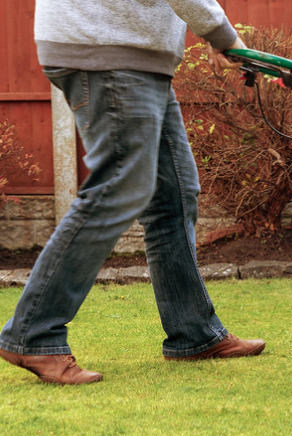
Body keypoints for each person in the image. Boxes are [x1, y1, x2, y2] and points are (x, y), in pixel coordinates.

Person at [0, 0, 264, 385]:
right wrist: (220, 33)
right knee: (121, 186)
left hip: (133, 53)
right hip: (106, 46)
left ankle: (194, 332)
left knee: (173, 194)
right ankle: (32, 334)